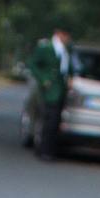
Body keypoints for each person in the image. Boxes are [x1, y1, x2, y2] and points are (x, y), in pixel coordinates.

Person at [26, 24, 74, 160]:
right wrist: (44, 79)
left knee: (55, 121)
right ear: (58, 34)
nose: (67, 38)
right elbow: (32, 64)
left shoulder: (66, 50)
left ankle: (47, 149)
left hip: (60, 90)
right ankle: (45, 150)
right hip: (49, 90)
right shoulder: (46, 48)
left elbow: (68, 67)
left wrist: (70, 78)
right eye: (65, 35)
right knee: (49, 120)